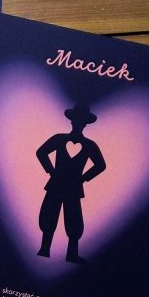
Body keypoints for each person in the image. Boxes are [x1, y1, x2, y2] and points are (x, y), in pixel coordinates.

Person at [35, 102, 106, 264]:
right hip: (57, 184)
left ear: (84, 124)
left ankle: (71, 254)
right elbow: (41, 152)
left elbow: (101, 165)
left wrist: (83, 178)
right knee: (49, 214)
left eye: (81, 121)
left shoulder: (89, 145)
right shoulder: (60, 139)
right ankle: (44, 248)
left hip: (72, 187)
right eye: (76, 120)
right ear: (72, 121)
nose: (78, 124)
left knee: (73, 218)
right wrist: (51, 170)